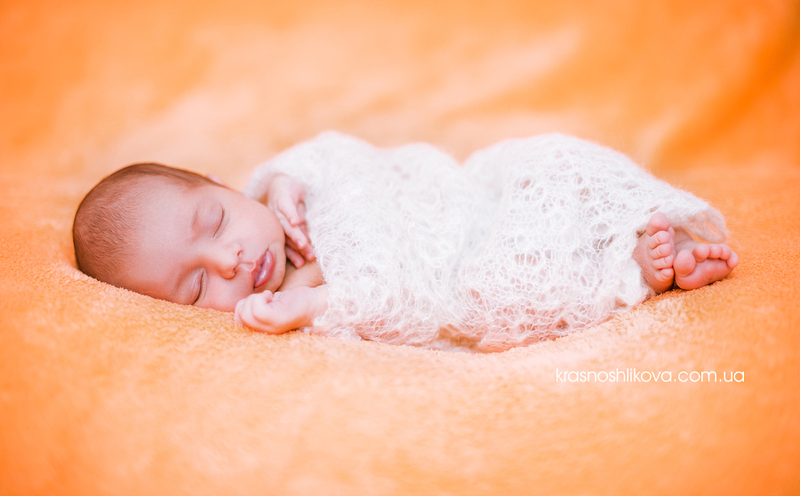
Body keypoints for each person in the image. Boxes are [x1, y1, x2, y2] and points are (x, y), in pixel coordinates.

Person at [73, 132, 738, 351]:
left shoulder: (287, 189)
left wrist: (288, 177)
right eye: (197, 286)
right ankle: (638, 267)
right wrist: (312, 305)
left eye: (216, 222)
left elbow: (341, 152)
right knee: (506, 286)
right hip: (467, 264)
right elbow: (399, 303)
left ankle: (637, 223)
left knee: (548, 161)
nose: (231, 261)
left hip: (470, 196)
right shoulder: (293, 301)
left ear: (224, 186)